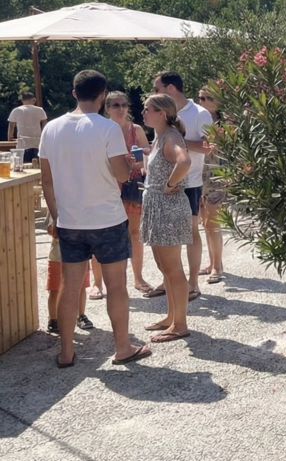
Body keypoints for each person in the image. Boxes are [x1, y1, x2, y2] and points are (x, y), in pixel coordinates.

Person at [39, 69, 149, 367]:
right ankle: (123, 347)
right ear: (102, 96)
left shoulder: (51, 128)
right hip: (107, 219)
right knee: (116, 286)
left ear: (74, 93)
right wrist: (128, 163)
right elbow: (122, 175)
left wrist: (56, 215)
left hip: (70, 221)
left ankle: (66, 351)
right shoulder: (108, 128)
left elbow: (46, 180)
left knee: (69, 286)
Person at [153, 72, 213, 301]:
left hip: (190, 180)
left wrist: (174, 140)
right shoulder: (161, 109)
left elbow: (209, 147)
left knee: (190, 231)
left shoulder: (200, 113)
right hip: (163, 181)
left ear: (170, 88)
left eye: (156, 88)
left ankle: (193, 283)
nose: (153, 92)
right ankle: (170, 279)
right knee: (167, 234)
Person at [140, 94, 195, 344]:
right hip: (158, 207)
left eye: (147, 109)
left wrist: (169, 184)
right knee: (165, 267)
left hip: (168, 207)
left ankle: (180, 324)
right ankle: (171, 317)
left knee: (172, 268)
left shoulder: (171, 136)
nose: (143, 112)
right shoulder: (161, 135)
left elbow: (184, 161)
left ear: (161, 113)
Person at [105, 91, 153, 295]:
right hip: (108, 184)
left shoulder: (136, 129)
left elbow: (145, 159)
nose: (120, 108)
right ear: (107, 108)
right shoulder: (102, 129)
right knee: (107, 234)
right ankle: (101, 284)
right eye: (115, 105)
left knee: (134, 233)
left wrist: (141, 161)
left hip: (132, 183)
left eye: (124, 104)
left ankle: (138, 277)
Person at [196, 89, 227, 283]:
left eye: (208, 98)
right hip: (199, 174)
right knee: (205, 221)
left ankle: (218, 265)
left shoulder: (225, 124)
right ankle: (212, 262)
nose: (203, 101)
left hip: (217, 174)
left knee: (213, 221)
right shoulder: (198, 121)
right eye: (200, 98)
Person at [8, 89, 47, 164]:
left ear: (22, 100)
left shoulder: (16, 110)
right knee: (37, 167)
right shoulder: (40, 110)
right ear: (34, 100)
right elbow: (45, 124)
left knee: (23, 165)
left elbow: (11, 125)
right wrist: (44, 137)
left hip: (22, 144)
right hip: (37, 142)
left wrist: (10, 138)